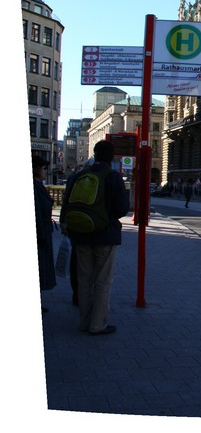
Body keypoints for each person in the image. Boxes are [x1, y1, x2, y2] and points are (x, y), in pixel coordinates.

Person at [60, 140, 131, 335]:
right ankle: (97, 324)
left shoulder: (79, 176)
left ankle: (84, 321)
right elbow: (121, 209)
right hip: (105, 235)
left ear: (95, 154)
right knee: (102, 280)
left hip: (81, 234)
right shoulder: (113, 177)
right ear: (111, 157)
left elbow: (67, 204)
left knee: (84, 279)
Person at [34, 154, 57, 306]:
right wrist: (42, 234)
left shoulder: (38, 185)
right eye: (43, 168)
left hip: (43, 231)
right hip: (40, 233)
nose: (45, 171)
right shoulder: (35, 187)